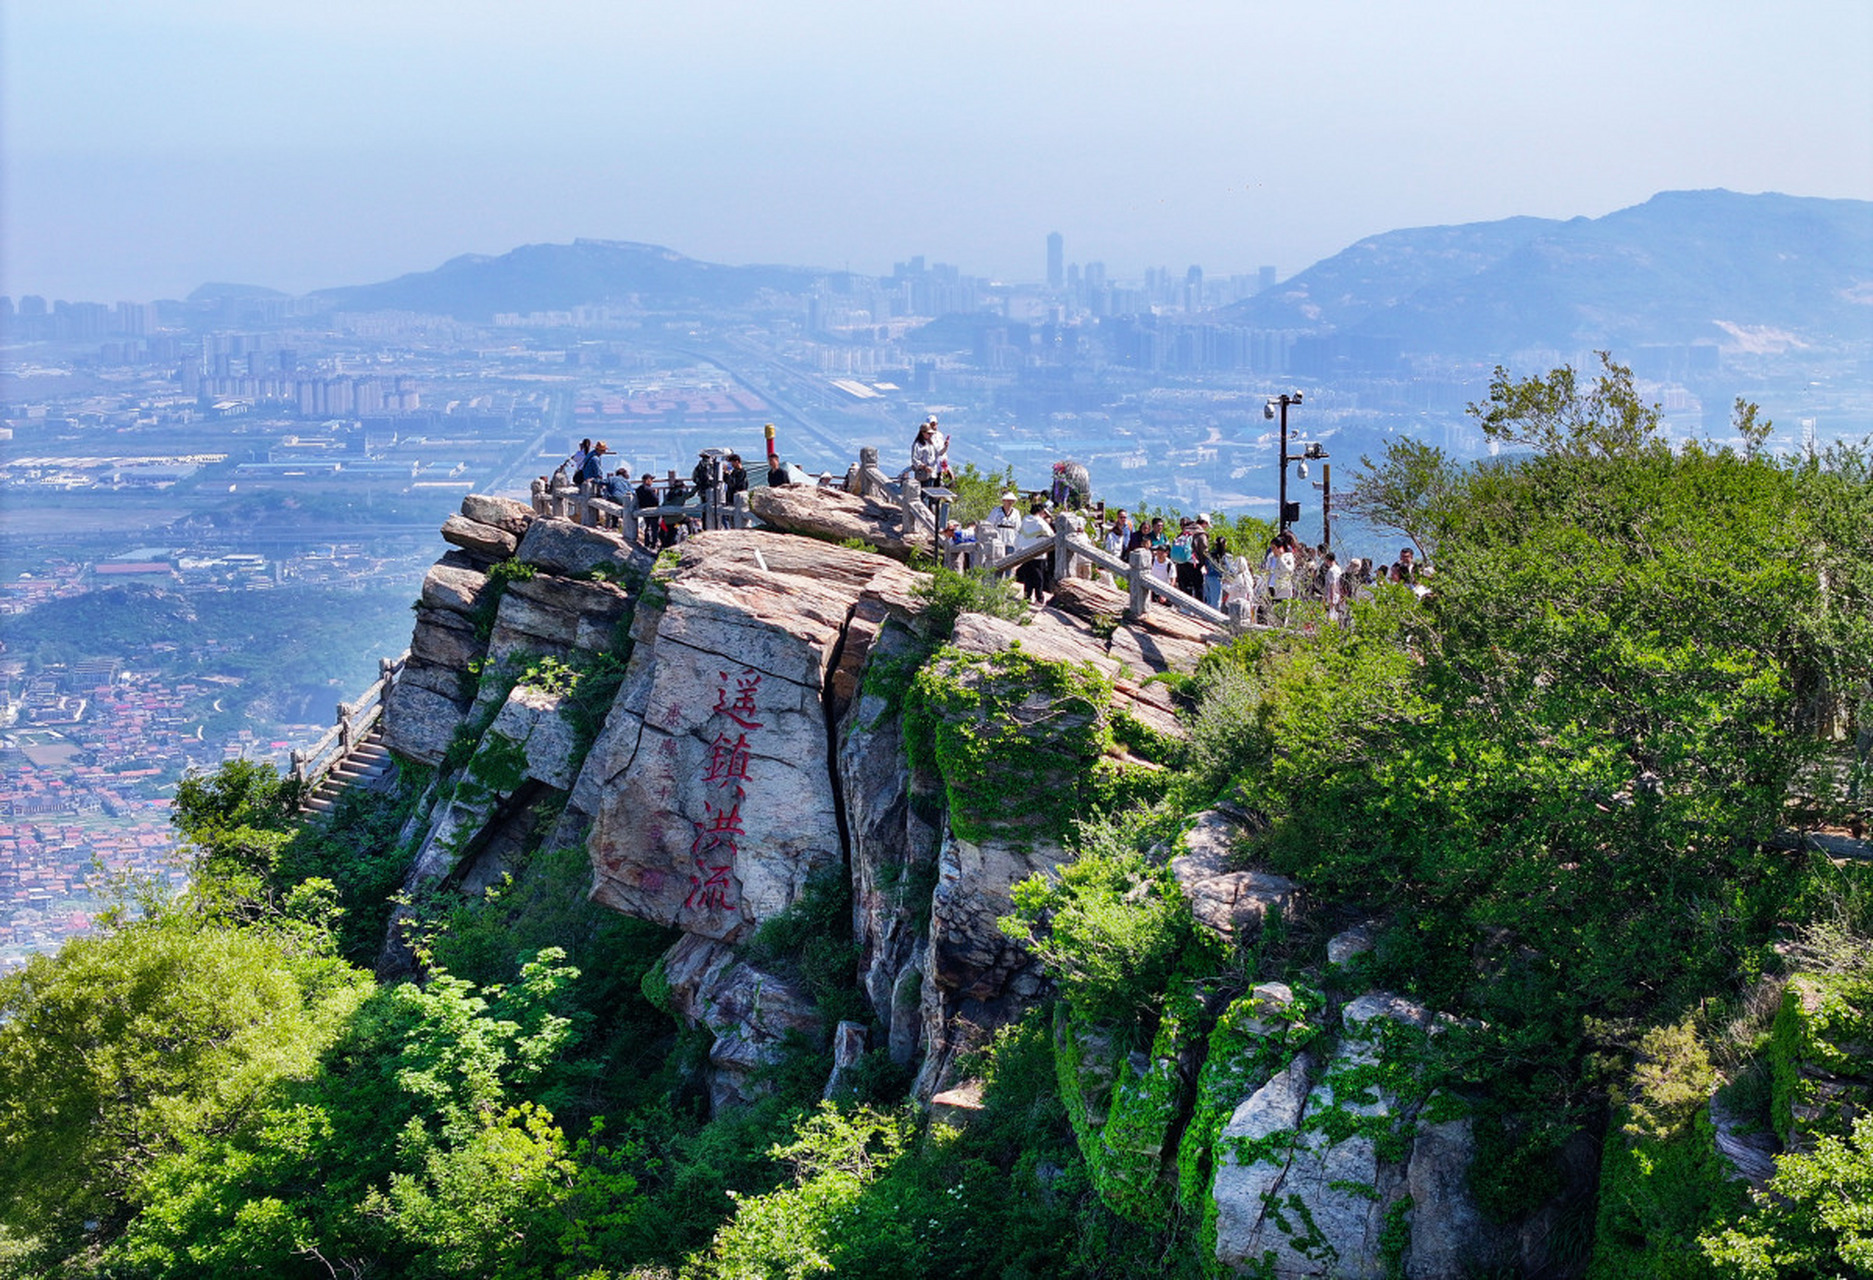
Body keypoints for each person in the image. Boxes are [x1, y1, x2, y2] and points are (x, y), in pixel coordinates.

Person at [1013, 499, 1054, 601]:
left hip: (1026, 553)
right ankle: (1039, 597)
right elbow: (1051, 535)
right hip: (1038, 554)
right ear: (1040, 512)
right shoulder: (1040, 522)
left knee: (1028, 577)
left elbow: (1019, 536)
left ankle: (1027, 596)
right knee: (1039, 577)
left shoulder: (1024, 521)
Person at [910, 418, 948, 485]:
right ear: (923, 433)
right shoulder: (918, 445)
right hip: (923, 475)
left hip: (932, 473)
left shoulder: (931, 444)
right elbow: (915, 460)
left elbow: (939, 453)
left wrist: (945, 446)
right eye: (929, 433)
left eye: (931, 434)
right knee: (924, 493)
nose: (930, 435)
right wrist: (925, 467)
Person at [990, 491, 1021, 559]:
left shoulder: (1016, 513)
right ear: (1004, 501)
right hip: (998, 542)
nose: (1010, 502)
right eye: (1008, 500)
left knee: (1009, 562)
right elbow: (989, 524)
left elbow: (1018, 527)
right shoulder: (996, 511)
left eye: (1012, 501)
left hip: (1011, 542)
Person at [633, 473, 660, 543]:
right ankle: (654, 542)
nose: (652, 482)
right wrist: (656, 493)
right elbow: (656, 500)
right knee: (654, 528)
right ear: (648, 480)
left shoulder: (638, 489)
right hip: (653, 510)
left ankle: (647, 542)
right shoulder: (650, 490)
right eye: (651, 480)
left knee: (647, 526)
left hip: (643, 509)